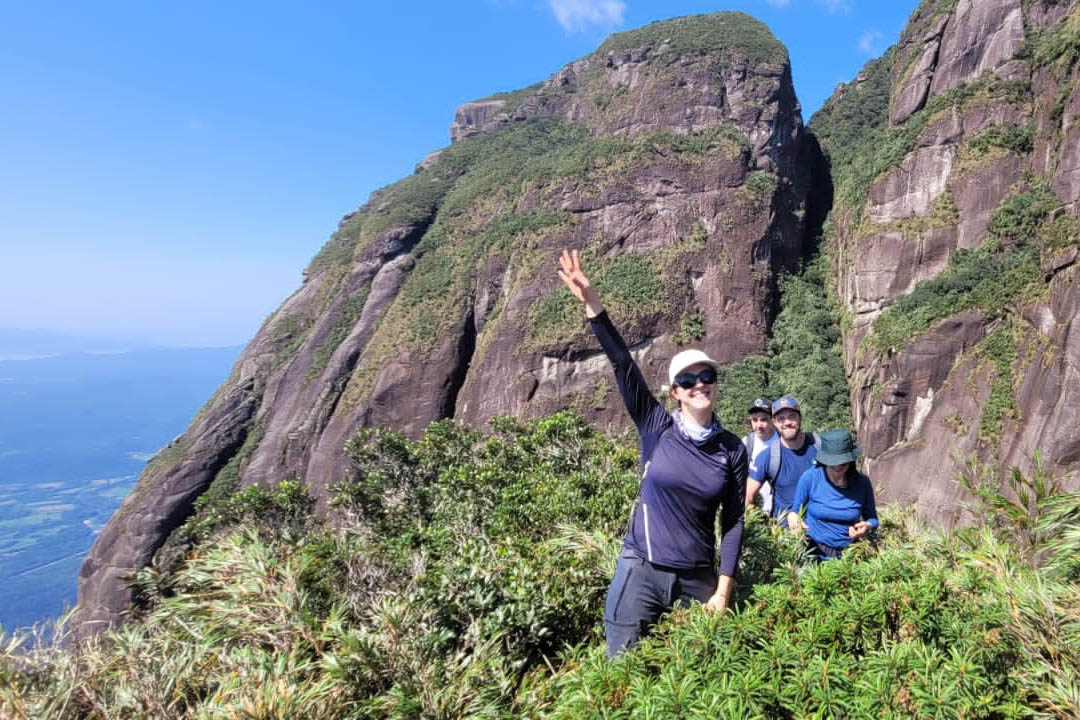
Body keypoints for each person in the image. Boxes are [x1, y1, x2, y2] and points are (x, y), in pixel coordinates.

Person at [557, 249, 746, 657]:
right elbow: (623, 364)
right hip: (641, 569)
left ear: (715, 383)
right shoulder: (656, 427)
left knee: (701, 675)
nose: (700, 384)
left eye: (707, 376)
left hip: (696, 577)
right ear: (674, 392)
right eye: (688, 379)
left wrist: (723, 591)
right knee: (622, 673)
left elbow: (732, 523)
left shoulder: (731, 449)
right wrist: (593, 304)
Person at [787, 429, 878, 561]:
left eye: (842, 462)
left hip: (849, 557)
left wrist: (867, 526)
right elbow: (795, 510)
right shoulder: (810, 478)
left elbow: (873, 519)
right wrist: (793, 517)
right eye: (832, 461)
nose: (837, 466)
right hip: (814, 554)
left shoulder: (862, 483)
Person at [746, 395, 819, 524]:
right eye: (781, 419)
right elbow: (748, 496)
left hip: (823, 532)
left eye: (792, 417)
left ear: (800, 418)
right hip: (787, 537)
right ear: (774, 422)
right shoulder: (767, 456)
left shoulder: (818, 446)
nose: (787, 423)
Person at [742, 398, 777, 514]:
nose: (759, 425)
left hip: (778, 508)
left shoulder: (783, 442)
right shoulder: (746, 444)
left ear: (773, 420)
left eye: (764, 420)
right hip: (754, 508)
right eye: (754, 420)